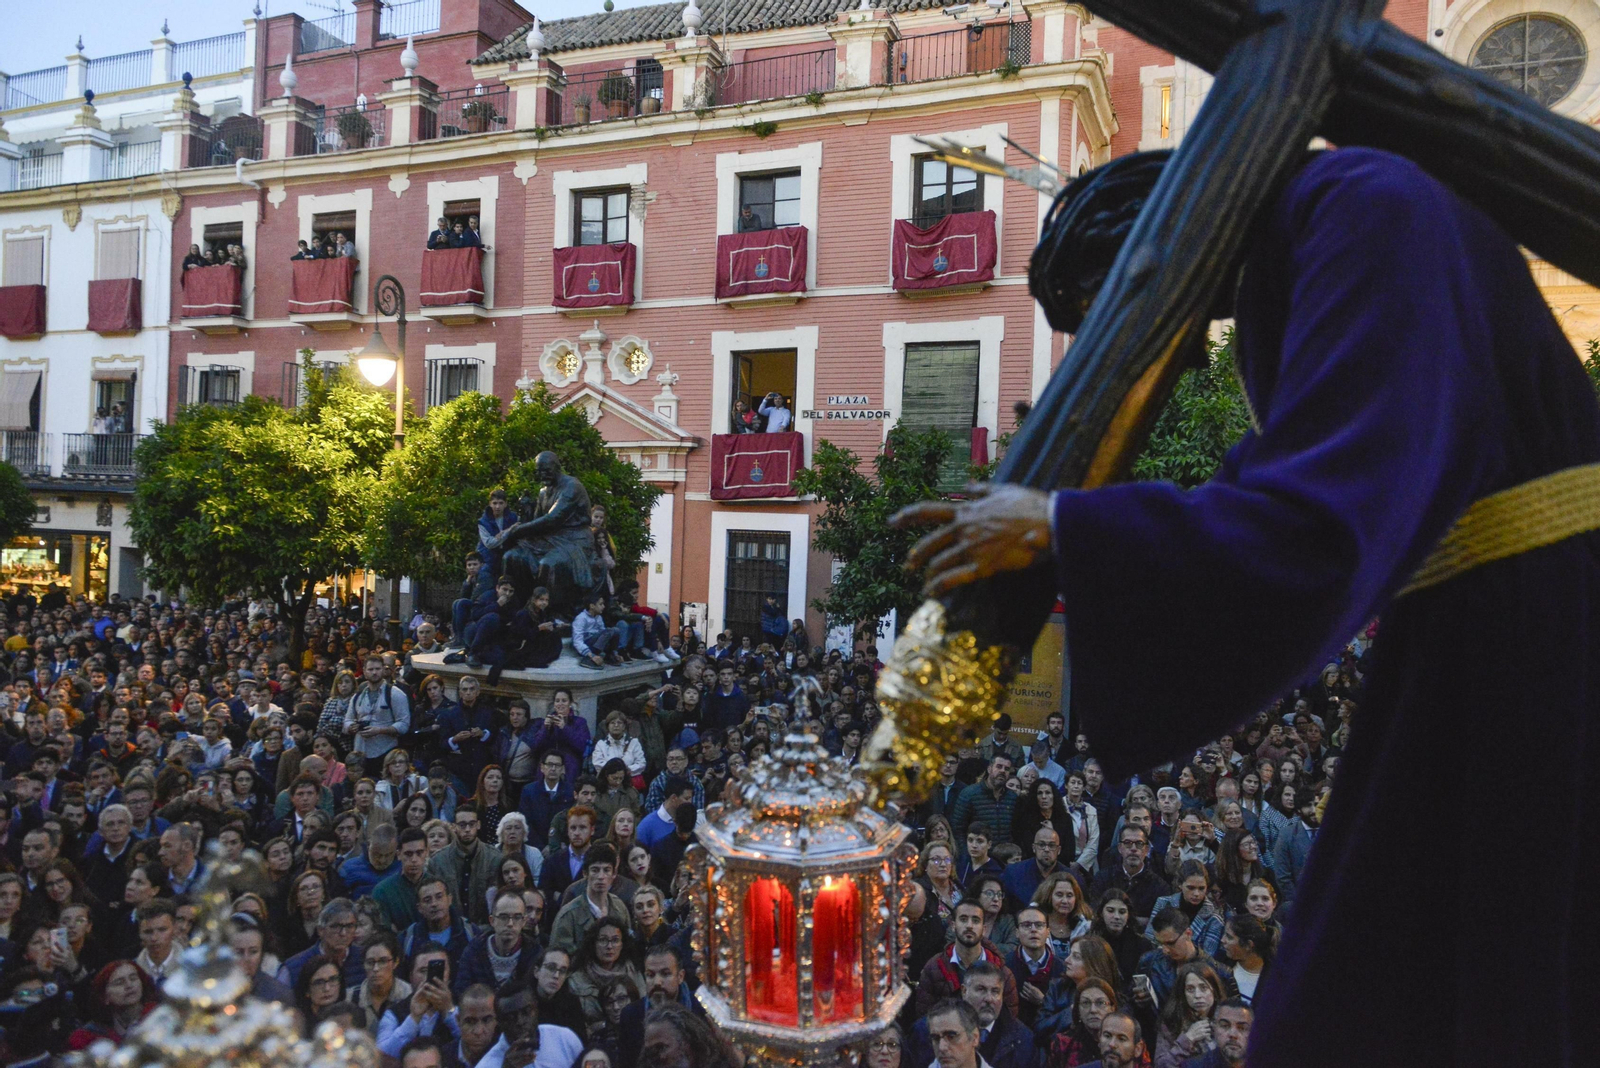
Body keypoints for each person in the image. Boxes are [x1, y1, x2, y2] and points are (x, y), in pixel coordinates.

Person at [915, 899, 1019, 1019]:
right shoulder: (934, 968)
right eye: (963, 919)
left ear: (984, 929)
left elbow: (1009, 1023)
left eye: (975, 920)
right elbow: (924, 1020)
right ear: (953, 926)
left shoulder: (1002, 972)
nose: (969, 926)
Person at [549, 845, 630, 955]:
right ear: (585, 873)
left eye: (606, 870)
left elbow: (627, 948)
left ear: (614, 874)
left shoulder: (620, 908)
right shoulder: (568, 915)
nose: (601, 876)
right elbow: (558, 957)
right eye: (595, 870)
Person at [456, 890, 537, 995]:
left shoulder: (534, 953)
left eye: (517, 917)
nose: (510, 923)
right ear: (492, 920)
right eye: (503, 917)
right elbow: (461, 992)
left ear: (524, 921)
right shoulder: (474, 951)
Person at [66, 960, 158, 1051]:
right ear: (104, 996)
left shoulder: (160, 1015)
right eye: (119, 983)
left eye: (133, 978)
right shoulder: (87, 1037)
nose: (129, 985)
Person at [1152, 963, 1226, 1068]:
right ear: (1183, 993)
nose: (1197, 995)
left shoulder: (1227, 1019)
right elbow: (1161, 1065)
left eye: (1203, 988)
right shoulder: (1171, 1022)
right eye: (1190, 989)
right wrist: (1187, 1039)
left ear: (1214, 989)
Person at [1218, 916, 1272, 1006]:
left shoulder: (1274, 978)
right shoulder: (1221, 963)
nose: (1223, 940)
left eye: (1229, 937)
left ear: (1248, 945)